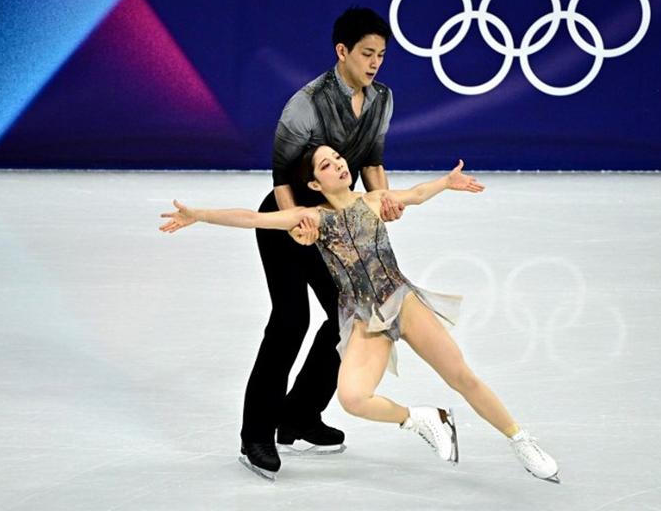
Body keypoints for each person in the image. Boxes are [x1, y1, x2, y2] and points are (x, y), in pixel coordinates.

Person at [159, 145, 561, 483]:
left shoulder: (372, 200)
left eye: (338, 158)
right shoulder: (311, 219)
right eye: (327, 165)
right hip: (366, 317)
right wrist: (200, 214)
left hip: (401, 300)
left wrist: (445, 183)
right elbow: (251, 218)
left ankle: (520, 438)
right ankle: (422, 418)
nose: (339, 165)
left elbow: (417, 194)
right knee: (352, 397)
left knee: (461, 375)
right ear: (314, 184)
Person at [237, 7, 401, 478]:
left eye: (382, 55)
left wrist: (381, 202)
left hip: (336, 220)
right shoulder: (306, 103)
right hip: (287, 214)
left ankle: (300, 415)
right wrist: (295, 223)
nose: (374, 63)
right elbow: (281, 175)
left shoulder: (381, 99)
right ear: (342, 52)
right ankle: (256, 434)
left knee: (349, 315)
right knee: (291, 320)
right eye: (367, 53)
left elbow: (371, 160)